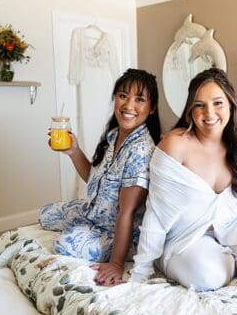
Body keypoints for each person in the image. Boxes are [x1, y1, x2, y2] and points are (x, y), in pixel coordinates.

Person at [128, 68, 237, 291]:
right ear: (190, 109)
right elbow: (156, 214)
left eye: (218, 103)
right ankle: (220, 264)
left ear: (230, 106)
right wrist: (141, 270)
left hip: (234, 229)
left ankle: (231, 259)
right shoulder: (175, 145)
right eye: (200, 105)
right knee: (208, 276)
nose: (209, 113)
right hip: (187, 237)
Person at [39, 69, 161, 286]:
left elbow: (127, 212)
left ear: (151, 108)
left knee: (64, 244)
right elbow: (94, 179)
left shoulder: (140, 150)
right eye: (123, 96)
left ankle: (109, 248)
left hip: (119, 230)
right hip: (94, 213)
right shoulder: (113, 135)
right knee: (46, 214)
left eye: (139, 99)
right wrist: (73, 151)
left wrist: (116, 263)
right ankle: (82, 226)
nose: (128, 105)